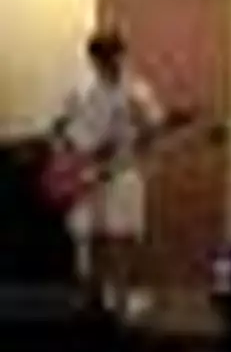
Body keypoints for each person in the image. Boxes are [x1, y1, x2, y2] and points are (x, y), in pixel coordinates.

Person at [56, 30, 164, 319]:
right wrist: (72, 160)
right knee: (90, 237)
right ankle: (91, 299)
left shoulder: (138, 91)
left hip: (123, 173)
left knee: (121, 238)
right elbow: (64, 130)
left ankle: (120, 301)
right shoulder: (80, 91)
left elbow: (153, 131)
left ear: (121, 56)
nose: (105, 64)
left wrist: (140, 141)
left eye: (111, 57)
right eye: (99, 59)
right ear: (92, 60)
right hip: (86, 174)